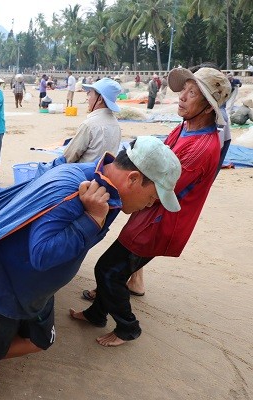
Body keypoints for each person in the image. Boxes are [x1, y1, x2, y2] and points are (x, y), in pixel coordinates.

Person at [0, 136, 182, 400]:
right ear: (132, 179)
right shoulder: (76, 192)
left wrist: (94, 216)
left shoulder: (105, 191)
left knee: (39, 340)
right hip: (6, 286)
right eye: (153, 196)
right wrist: (92, 218)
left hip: (35, 290)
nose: (151, 204)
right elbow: (42, 255)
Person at [71, 67, 231, 347]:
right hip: (147, 216)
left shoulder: (202, 148)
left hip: (161, 223)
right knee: (113, 269)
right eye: (184, 90)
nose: (181, 97)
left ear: (208, 106)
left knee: (108, 271)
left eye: (192, 93)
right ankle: (97, 314)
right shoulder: (183, 128)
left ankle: (128, 327)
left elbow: (161, 188)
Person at [62, 77, 122, 163]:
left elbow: (68, 156)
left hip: (84, 174)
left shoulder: (89, 125)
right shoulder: (116, 124)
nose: (87, 98)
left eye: (89, 94)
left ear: (100, 99)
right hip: (104, 173)